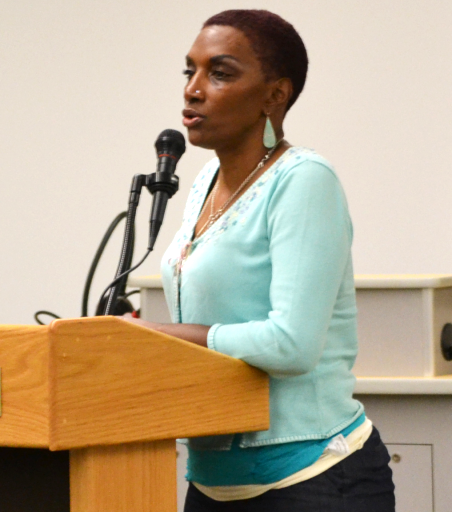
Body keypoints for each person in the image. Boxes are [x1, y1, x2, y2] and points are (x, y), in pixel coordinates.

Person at [122, 10, 395, 511]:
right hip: (210, 481)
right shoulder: (203, 181)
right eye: (190, 72)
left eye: (219, 73)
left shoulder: (305, 180)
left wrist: (159, 336)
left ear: (275, 95)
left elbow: (291, 345)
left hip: (313, 478)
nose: (193, 90)